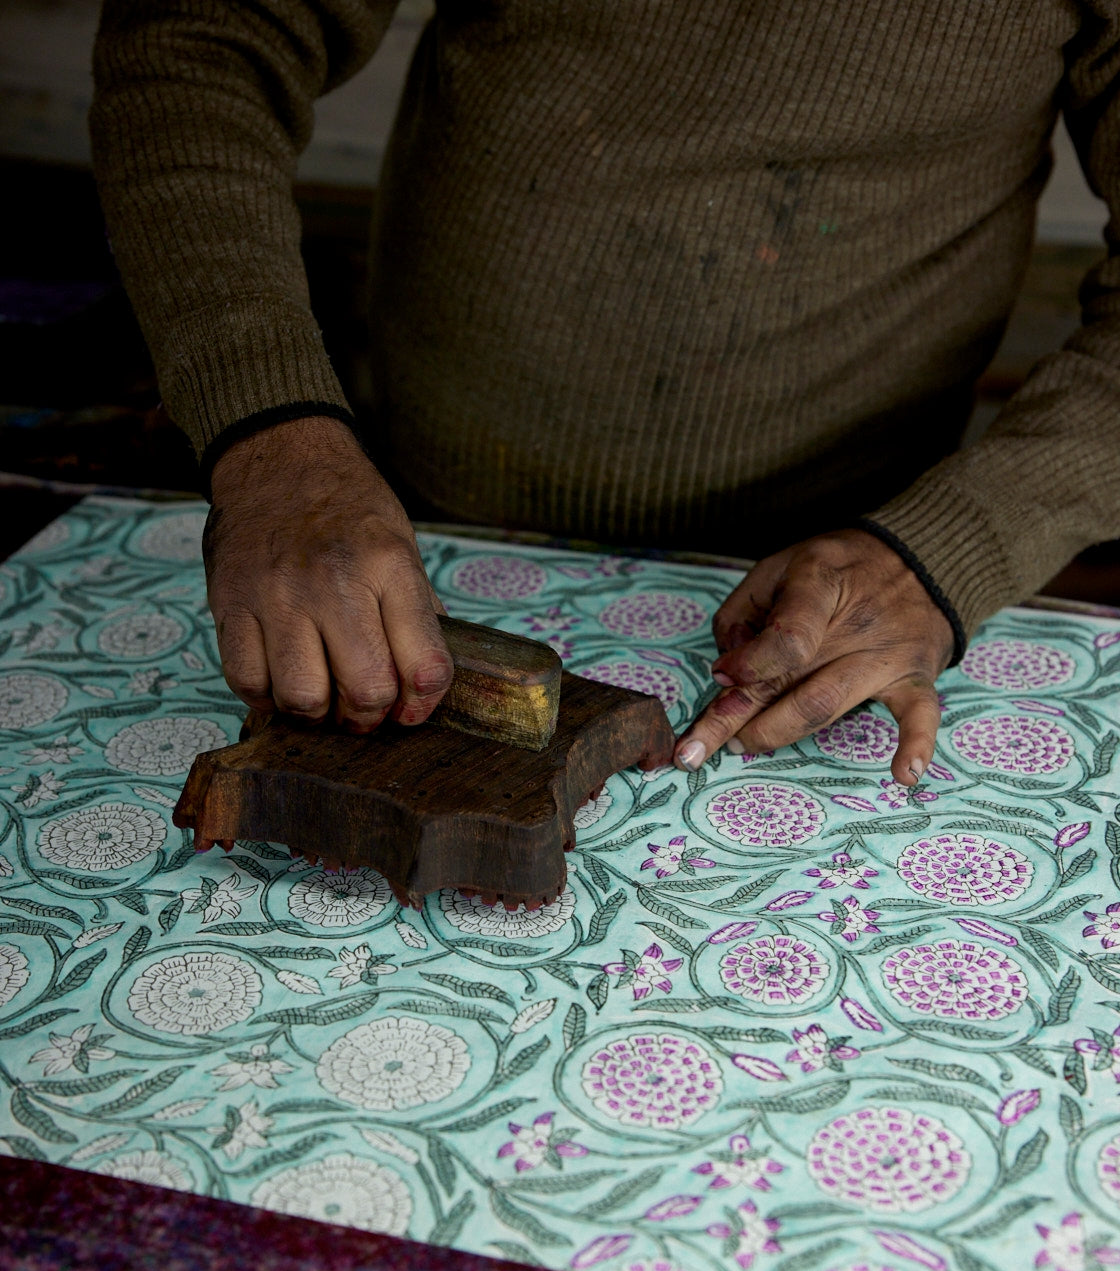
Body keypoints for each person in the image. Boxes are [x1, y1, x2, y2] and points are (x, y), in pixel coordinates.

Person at [89, 1, 1120, 785]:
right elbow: (199, 34)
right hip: (397, 521)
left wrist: (955, 547)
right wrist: (272, 443)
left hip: (846, 604)